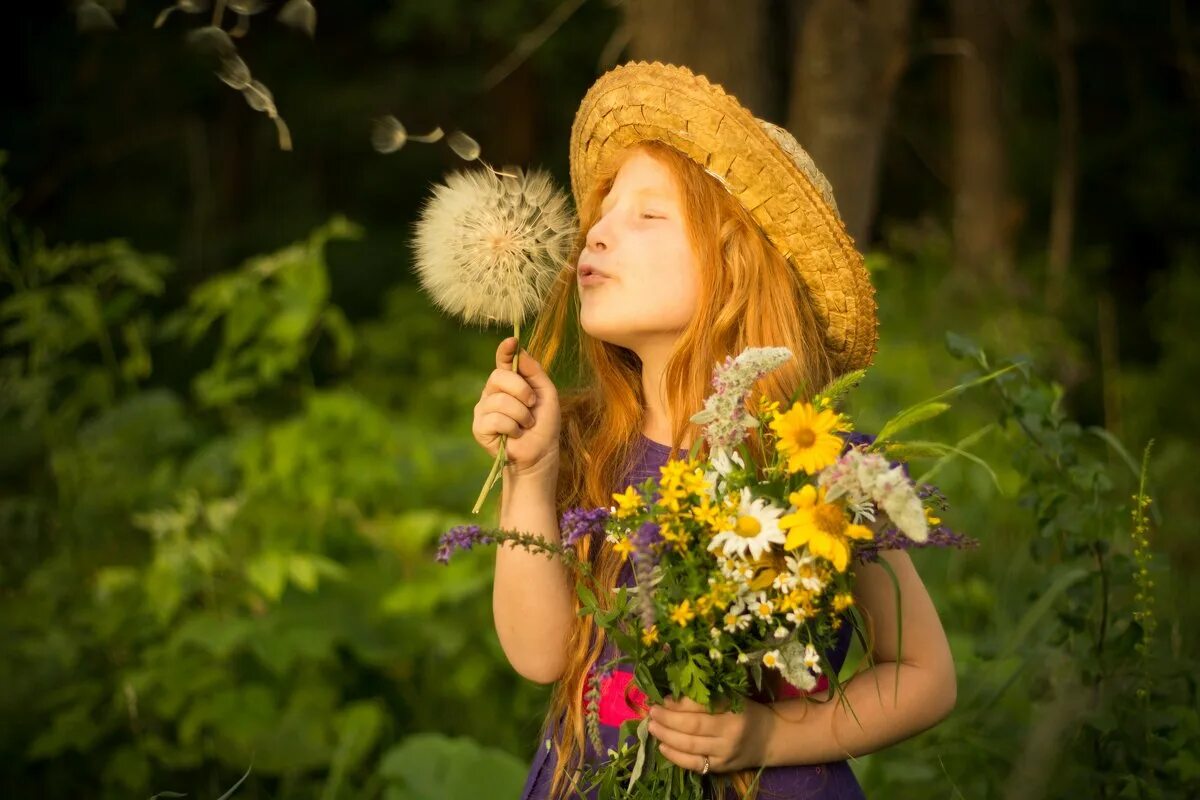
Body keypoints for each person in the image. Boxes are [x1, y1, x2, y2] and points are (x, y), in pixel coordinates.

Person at [472, 61, 957, 800]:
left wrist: (771, 736)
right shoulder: (581, 440)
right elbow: (542, 656)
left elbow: (925, 675)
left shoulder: (820, 470)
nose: (594, 233)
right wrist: (529, 477)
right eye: (600, 213)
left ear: (732, 268)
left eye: (646, 215)